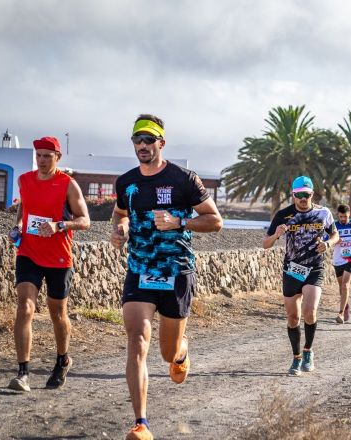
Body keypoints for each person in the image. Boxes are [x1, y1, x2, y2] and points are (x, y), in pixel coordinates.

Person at [111, 114, 223, 440]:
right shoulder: (126, 183)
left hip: (176, 272)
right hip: (140, 270)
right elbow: (120, 213)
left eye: (149, 140)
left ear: (161, 142)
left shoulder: (184, 179)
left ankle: (181, 350)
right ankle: (141, 424)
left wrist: (179, 222)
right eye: (137, 140)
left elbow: (214, 221)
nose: (142, 146)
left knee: (166, 353)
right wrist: (119, 230)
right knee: (136, 340)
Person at [7, 136, 90, 393]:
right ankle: (23, 373)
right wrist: (19, 225)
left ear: (57, 158)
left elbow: (85, 220)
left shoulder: (68, 184)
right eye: (39, 155)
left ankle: (62, 359)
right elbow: (26, 209)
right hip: (28, 253)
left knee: (57, 315)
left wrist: (59, 225)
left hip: (58, 257)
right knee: (25, 307)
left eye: (47, 156)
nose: (42, 161)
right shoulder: (25, 180)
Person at [264, 175, 339, 376]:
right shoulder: (283, 215)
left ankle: (308, 351)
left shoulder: (324, 213)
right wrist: (276, 235)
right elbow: (266, 244)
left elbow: (335, 234)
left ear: (312, 194)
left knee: (310, 311)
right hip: (292, 270)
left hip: (315, 267)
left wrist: (329, 244)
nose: (303, 199)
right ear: (293, 195)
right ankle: (296, 357)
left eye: (306, 195)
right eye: (299, 195)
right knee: (293, 317)